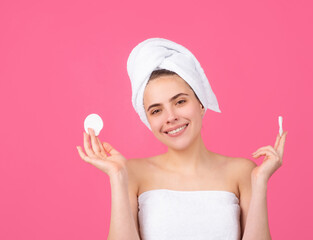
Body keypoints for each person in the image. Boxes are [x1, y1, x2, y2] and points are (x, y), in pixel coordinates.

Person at [76, 38, 288, 240]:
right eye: (156, 110)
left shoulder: (242, 171)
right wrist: (117, 176)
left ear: (201, 103)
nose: (171, 117)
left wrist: (260, 183)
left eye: (180, 102)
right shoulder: (131, 173)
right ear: (148, 121)